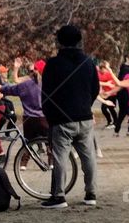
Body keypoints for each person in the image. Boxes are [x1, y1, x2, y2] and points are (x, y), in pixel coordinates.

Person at [40, 24, 100, 208]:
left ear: (59, 42)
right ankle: (91, 193)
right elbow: (95, 88)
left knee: (60, 158)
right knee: (88, 156)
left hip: (62, 118)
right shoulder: (88, 62)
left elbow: (47, 93)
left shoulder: (53, 64)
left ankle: (58, 195)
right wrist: (85, 105)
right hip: (84, 115)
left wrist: (50, 114)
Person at [0, 58, 48, 168]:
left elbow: (13, 88)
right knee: (49, 142)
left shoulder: (26, 84)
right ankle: (52, 163)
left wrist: (1, 88)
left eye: (31, 70)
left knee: (28, 142)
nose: (30, 72)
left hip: (29, 118)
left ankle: (23, 164)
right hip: (44, 117)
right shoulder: (49, 84)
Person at [113, 52, 129, 136]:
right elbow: (122, 83)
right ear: (127, 58)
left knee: (125, 113)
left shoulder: (126, 68)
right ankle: (128, 130)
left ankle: (117, 131)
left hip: (126, 95)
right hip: (124, 95)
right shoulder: (126, 69)